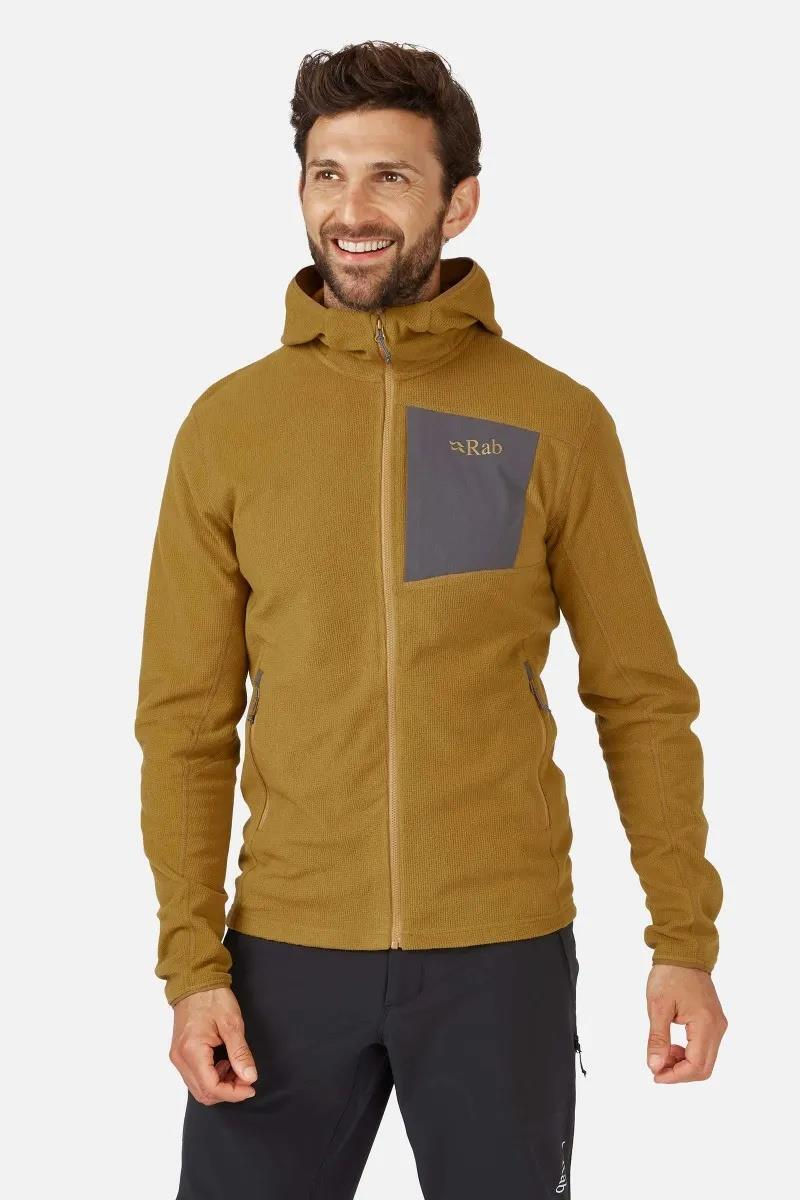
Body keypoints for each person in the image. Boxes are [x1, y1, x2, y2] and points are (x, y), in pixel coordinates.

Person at [134, 39, 727, 1200]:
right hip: (283, 957)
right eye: (327, 174)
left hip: (498, 956)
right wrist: (191, 966)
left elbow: (639, 697)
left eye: (389, 177)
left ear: (458, 201)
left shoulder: (549, 419)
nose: (351, 210)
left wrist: (681, 940)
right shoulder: (230, 427)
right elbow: (184, 723)